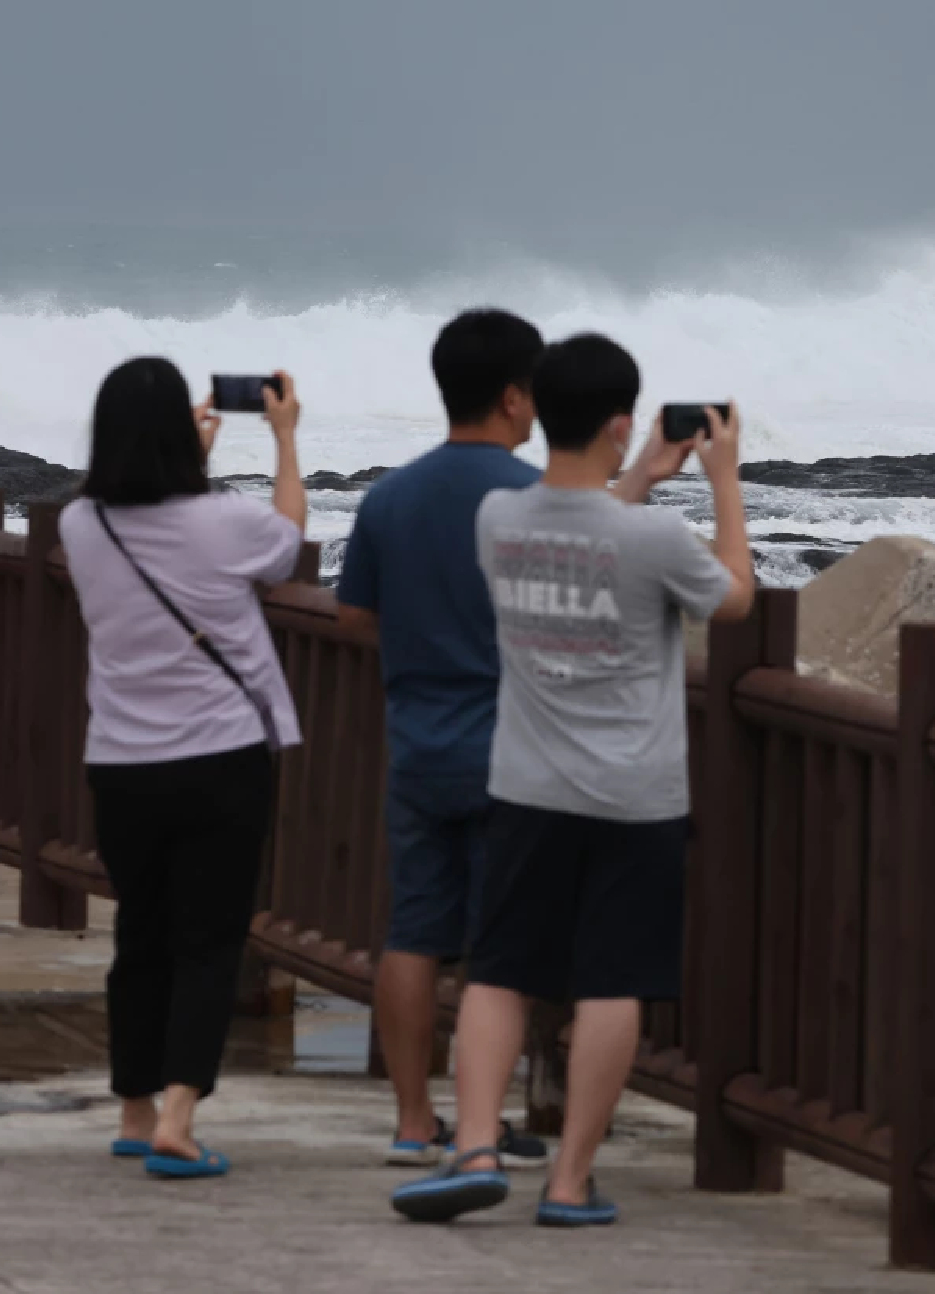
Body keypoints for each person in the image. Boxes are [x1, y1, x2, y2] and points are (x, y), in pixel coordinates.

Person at [391, 333, 756, 1226]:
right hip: (634, 796)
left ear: (536, 409)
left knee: (497, 975)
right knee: (610, 982)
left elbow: (580, 528)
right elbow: (734, 595)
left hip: (523, 785)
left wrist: (635, 476)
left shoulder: (499, 520)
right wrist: (722, 480)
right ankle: (568, 1182)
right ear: (623, 424)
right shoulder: (656, 537)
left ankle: (474, 1144)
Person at [60, 356, 306, 1181]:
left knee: (141, 936)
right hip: (219, 758)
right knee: (208, 942)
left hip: (122, 763)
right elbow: (287, 544)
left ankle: (133, 1111)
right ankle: (177, 1115)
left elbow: (149, 515)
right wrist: (284, 440)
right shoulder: (225, 521)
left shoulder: (80, 525)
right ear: (181, 432)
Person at [336, 308, 550, 1170]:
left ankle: (412, 1120)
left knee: (415, 932)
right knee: (502, 945)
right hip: (516, 746)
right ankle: (481, 1122)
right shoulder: (536, 498)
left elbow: (353, 613)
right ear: (511, 396)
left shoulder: (391, 495)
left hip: (419, 741)